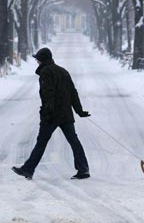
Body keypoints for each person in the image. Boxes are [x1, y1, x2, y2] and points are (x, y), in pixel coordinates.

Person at [12, 47, 91, 180]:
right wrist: (79, 111)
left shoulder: (45, 72)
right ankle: (83, 169)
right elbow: (73, 92)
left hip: (52, 115)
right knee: (74, 141)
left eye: (38, 59)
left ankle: (28, 169)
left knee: (41, 142)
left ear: (42, 60)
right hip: (66, 114)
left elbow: (48, 94)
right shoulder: (63, 71)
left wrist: (47, 112)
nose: (37, 61)